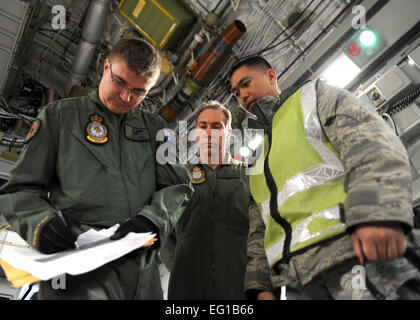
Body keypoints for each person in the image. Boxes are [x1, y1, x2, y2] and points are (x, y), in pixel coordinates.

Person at [0, 38, 193, 300]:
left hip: (140, 270)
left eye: (139, 92)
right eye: (120, 82)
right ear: (105, 67)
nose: (126, 97)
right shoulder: (60, 117)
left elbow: (177, 186)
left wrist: (152, 220)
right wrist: (42, 224)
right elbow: (20, 189)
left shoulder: (155, 129)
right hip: (76, 266)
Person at [229, 56, 420, 300]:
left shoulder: (313, 98)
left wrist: (378, 212)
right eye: (236, 92)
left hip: (357, 256)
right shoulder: (256, 158)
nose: (242, 95)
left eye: (246, 83)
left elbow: (371, 143)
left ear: (271, 76)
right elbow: (258, 229)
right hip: (297, 285)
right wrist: (260, 286)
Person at [160, 101, 250, 299]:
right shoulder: (179, 177)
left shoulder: (247, 174)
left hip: (239, 284)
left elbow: (260, 229)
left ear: (228, 132)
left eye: (216, 126)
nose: (209, 132)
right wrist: (181, 268)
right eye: (203, 126)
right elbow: (164, 232)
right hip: (188, 288)